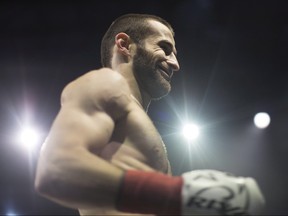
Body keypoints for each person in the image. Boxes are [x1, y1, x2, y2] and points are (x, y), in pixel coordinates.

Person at [35, 13, 265, 215]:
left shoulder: (133, 119)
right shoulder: (105, 84)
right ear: (124, 44)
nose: (175, 63)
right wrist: (181, 195)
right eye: (164, 48)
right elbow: (55, 170)